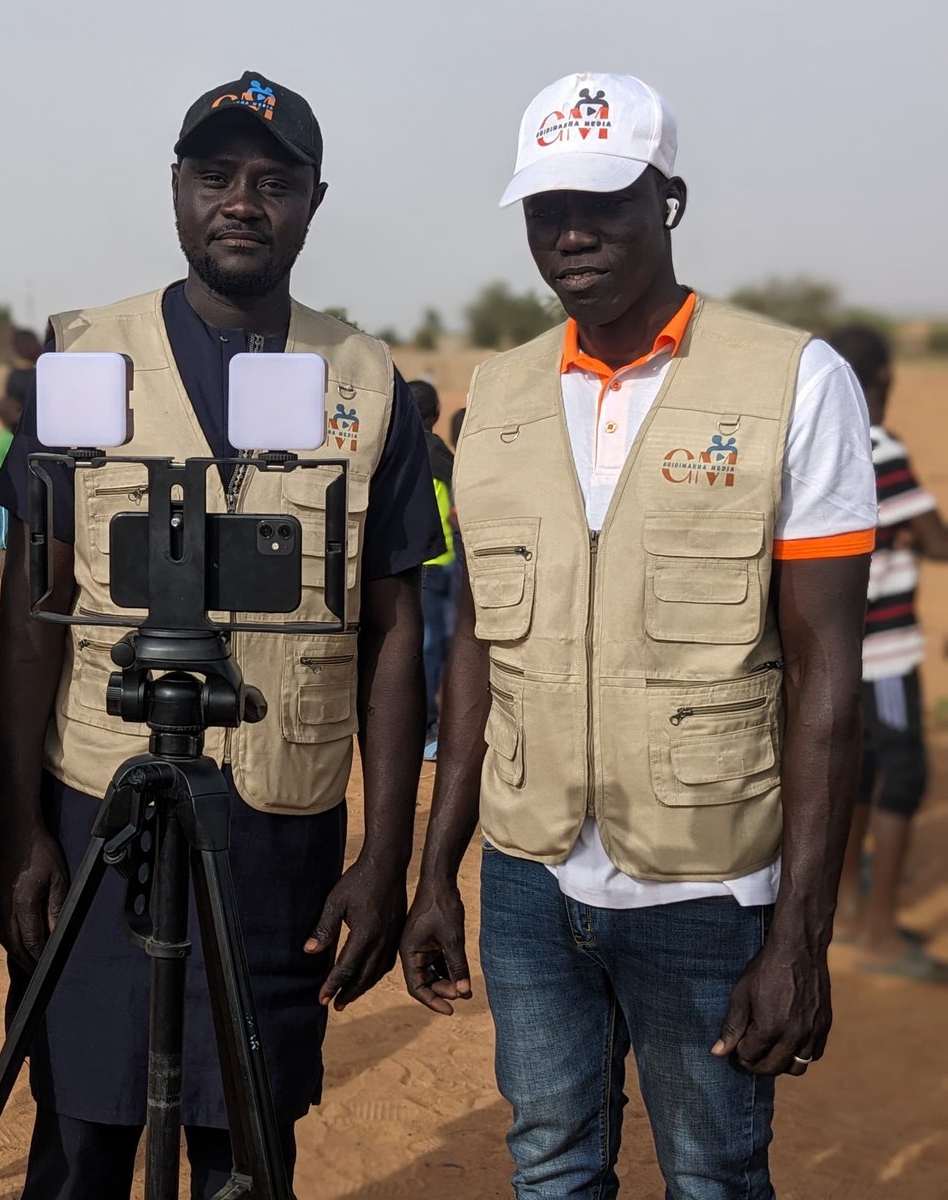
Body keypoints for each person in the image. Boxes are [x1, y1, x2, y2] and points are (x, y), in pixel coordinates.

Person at [399, 73, 876, 1199]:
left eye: (604, 199)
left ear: (667, 197)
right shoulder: (501, 395)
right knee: (550, 1164)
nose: (570, 232)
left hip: (707, 891)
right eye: (543, 206)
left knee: (713, 1175)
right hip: (527, 881)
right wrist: (436, 872)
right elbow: (473, 646)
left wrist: (798, 941)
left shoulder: (792, 382)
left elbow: (824, 681)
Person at [0, 71, 442, 1199]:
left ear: (312, 202)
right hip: (101, 820)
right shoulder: (84, 357)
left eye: (274, 182)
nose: (243, 201)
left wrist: (384, 857)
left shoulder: (368, 383)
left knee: (244, 1145)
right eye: (216, 176)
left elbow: (394, 631)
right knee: (82, 1138)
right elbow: (28, 613)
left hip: (279, 834)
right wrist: (21, 830)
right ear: (178, 192)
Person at [829, 325, 948, 983]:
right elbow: (936, 540)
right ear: (881, 385)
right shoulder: (880, 446)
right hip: (888, 655)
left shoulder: (819, 444)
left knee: (857, 774)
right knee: (903, 777)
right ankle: (878, 934)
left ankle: (847, 910)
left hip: (840, 651)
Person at [413, 379, 457, 760]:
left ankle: (423, 725)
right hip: (443, 566)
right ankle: (426, 729)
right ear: (436, 416)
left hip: (409, 567)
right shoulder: (443, 455)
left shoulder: (396, 456)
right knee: (435, 651)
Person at [0, 329, 39, 551]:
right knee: (8, 490)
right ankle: (7, 543)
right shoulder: (17, 376)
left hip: (32, 437)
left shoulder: (40, 372)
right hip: (16, 437)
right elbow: (8, 407)